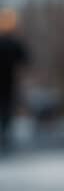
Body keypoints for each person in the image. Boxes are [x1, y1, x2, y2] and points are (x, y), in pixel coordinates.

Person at [0, 13, 30, 152]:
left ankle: (5, 131)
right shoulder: (14, 42)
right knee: (7, 107)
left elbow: (25, 59)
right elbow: (26, 60)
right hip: (9, 82)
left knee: (7, 106)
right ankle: (5, 131)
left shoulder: (12, 43)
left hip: (8, 82)